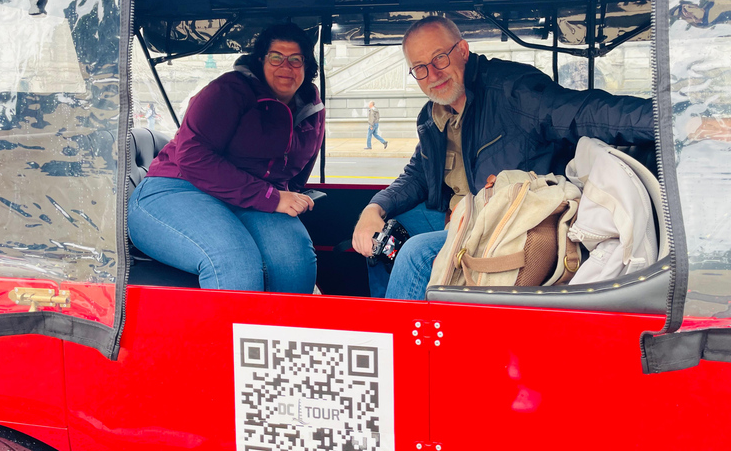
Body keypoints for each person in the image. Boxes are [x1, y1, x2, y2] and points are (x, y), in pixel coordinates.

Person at [352, 16, 654, 300]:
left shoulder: (512, 90)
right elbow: (417, 174)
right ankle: (382, 321)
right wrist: (375, 207)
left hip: (511, 222)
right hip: (459, 216)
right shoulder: (434, 116)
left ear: (463, 51)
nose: (432, 74)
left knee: (416, 252)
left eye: (439, 59)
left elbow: (585, 113)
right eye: (420, 68)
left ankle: (399, 344)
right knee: (380, 235)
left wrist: (671, 121)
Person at [128, 23, 325, 292]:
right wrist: (270, 197)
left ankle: (285, 331)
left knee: (295, 261)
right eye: (276, 57)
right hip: (179, 187)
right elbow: (192, 157)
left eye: (295, 60)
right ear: (261, 60)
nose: (285, 67)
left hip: (249, 196)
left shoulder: (311, 104)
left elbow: (301, 163)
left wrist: (285, 195)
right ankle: (229, 334)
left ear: (307, 65)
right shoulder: (228, 91)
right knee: (234, 261)